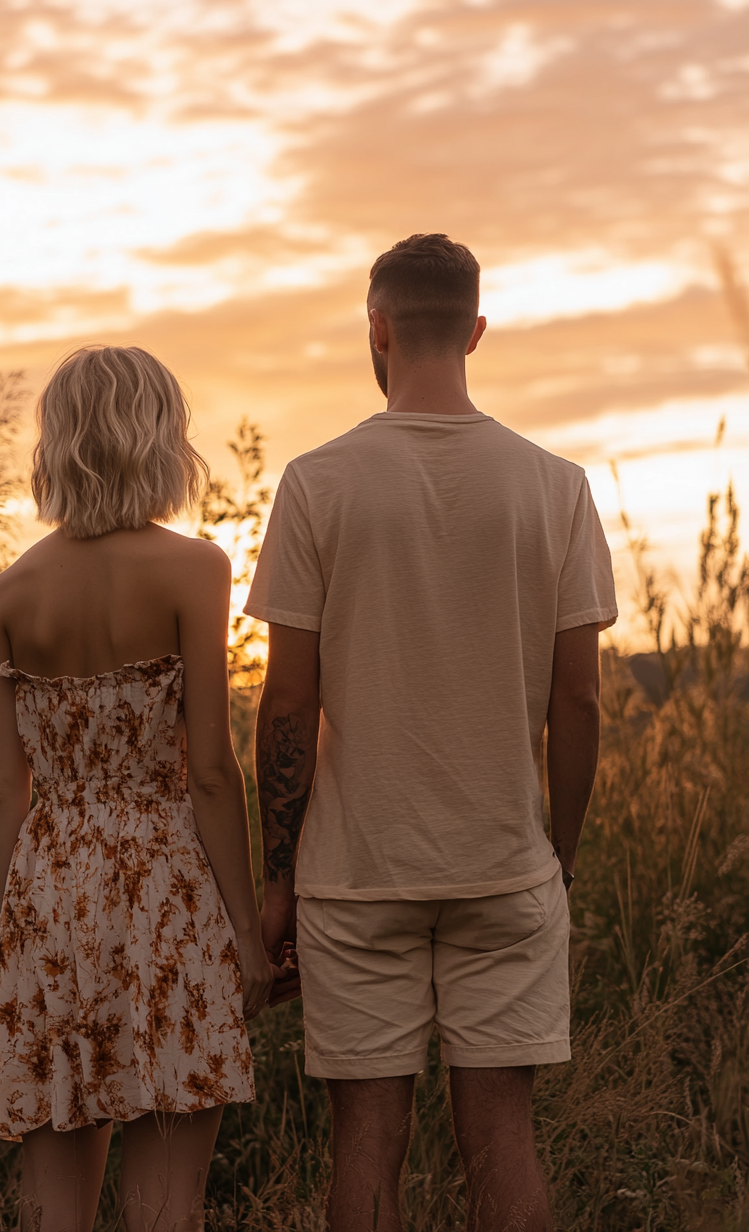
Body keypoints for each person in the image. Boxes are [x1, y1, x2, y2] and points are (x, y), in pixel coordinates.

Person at [245, 233, 618, 1232]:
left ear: (376, 325)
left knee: (368, 1138)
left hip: (356, 872)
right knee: (501, 1136)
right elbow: (577, 702)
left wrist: (276, 879)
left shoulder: (316, 481)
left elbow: (285, 704)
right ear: (476, 331)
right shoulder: (555, 485)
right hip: (505, 864)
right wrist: (558, 860)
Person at [0, 345, 276, 1232]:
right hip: (164, 890)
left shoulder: (11, 592)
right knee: (163, 1208)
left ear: (58, 443)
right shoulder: (194, 568)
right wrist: (249, 937)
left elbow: (6, 794)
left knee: (54, 1211)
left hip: (46, 890)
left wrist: (15, 942)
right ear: (158, 439)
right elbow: (215, 775)